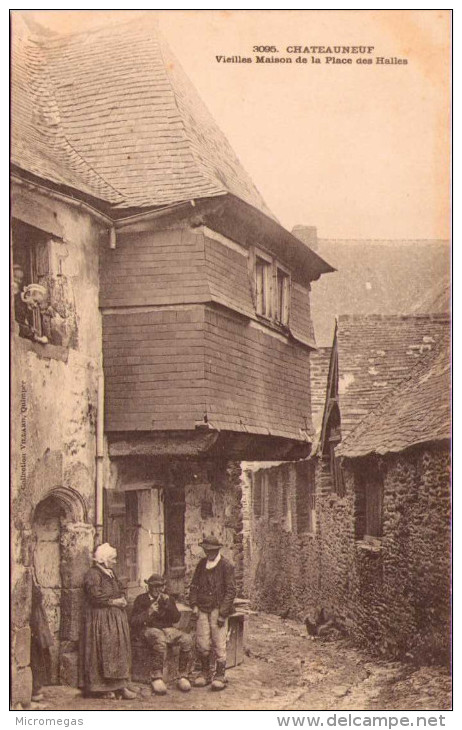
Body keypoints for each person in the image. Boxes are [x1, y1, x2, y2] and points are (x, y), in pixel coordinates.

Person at [80, 543, 136, 700]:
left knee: (118, 652)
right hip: (101, 620)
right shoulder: (93, 574)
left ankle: (120, 687)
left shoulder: (110, 572)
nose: (115, 561)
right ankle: (103, 689)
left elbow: (118, 589)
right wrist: (114, 602)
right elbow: (95, 596)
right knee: (104, 652)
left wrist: (122, 599)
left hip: (115, 619)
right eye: (112, 558)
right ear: (103, 559)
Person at [130, 573, 193, 695]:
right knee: (159, 638)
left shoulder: (168, 599)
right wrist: (149, 612)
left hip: (166, 629)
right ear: (149, 587)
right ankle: (157, 677)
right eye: (154, 586)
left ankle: (182, 675)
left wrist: (169, 604)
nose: (158, 589)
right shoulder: (141, 599)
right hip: (147, 629)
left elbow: (176, 619)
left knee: (187, 639)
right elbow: (133, 622)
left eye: (160, 586)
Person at [189, 535, 236, 691]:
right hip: (202, 608)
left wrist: (223, 613)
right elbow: (194, 586)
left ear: (217, 550)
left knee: (219, 642)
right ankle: (205, 672)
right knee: (202, 642)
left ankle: (220, 675)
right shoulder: (202, 564)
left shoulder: (226, 566)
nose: (208, 553)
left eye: (211, 551)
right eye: (206, 550)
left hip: (218, 609)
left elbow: (230, 591)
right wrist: (194, 604)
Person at [30, 578, 53, 702]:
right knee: (35, 653)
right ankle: (34, 688)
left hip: (36, 621)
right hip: (33, 621)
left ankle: (36, 687)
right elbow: (36, 596)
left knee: (38, 652)